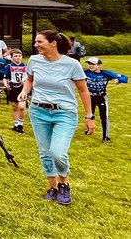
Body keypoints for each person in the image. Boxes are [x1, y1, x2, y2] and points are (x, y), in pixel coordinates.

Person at [18, 30, 95, 205]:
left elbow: (83, 91)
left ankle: (64, 184)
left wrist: (89, 116)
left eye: (39, 42)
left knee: (58, 152)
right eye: (36, 42)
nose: (36, 45)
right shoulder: (34, 60)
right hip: (38, 112)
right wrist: (24, 92)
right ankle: (53, 187)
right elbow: (29, 79)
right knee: (45, 152)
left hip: (65, 113)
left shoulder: (72, 64)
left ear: (53, 43)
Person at [83, 56, 128, 143]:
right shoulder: (85, 72)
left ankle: (106, 137)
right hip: (90, 98)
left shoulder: (105, 73)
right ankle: (88, 130)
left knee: (104, 117)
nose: (90, 65)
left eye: (93, 64)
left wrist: (119, 80)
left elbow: (124, 78)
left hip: (102, 98)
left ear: (99, 65)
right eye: (89, 63)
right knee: (89, 115)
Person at [3, 49, 28, 134]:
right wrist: (6, 85)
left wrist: (25, 83)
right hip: (13, 87)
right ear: (12, 57)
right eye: (15, 56)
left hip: (23, 88)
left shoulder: (26, 66)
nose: (18, 57)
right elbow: (5, 78)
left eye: (19, 56)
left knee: (22, 106)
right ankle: (16, 124)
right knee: (14, 107)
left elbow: (30, 78)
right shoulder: (9, 66)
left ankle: (21, 125)